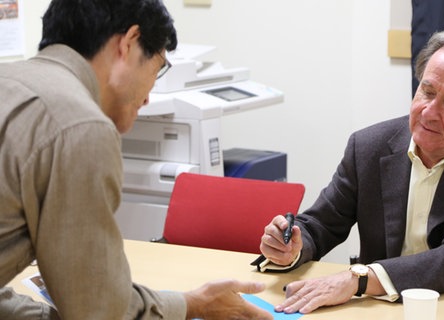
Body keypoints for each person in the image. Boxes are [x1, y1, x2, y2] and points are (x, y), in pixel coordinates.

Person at [0, 0, 272, 319]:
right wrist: (192, 305)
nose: (147, 97)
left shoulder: (10, 83)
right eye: (156, 70)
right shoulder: (81, 126)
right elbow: (98, 310)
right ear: (128, 43)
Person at [257, 29, 444, 314]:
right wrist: (290, 248)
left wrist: (358, 279)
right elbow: (322, 224)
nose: (429, 112)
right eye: (428, 91)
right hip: (382, 307)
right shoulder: (367, 147)